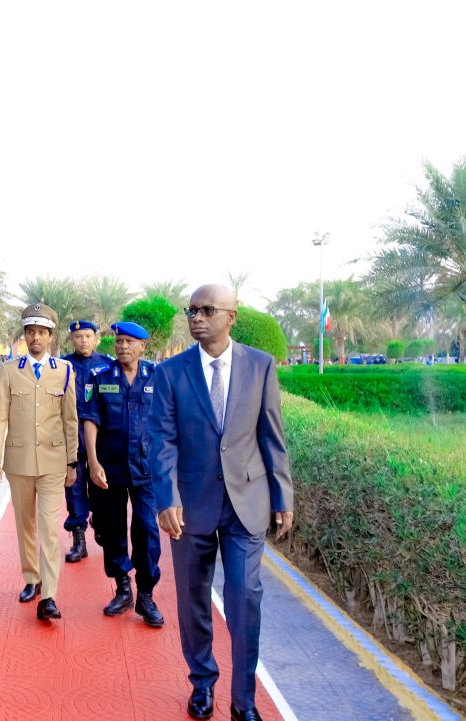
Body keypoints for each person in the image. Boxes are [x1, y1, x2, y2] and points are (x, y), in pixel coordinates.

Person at [148, 284, 294, 721]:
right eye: (191, 310)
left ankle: (243, 700)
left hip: (246, 503)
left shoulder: (260, 366)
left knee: (245, 598)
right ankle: (202, 682)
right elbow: (162, 441)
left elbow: (272, 436)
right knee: (193, 598)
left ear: (232, 316)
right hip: (190, 507)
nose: (196, 317)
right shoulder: (170, 372)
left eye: (207, 310)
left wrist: (282, 495)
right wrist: (166, 497)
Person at [0, 303, 78, 621]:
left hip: (53, 462)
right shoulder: (9, 371)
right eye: (30, 332)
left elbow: (70, 420)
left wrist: (72, 461)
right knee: (25, 525)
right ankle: (32, 578)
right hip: (19, 461)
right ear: (24, 335)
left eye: (41, 332)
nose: (35, 337)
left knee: (49, 528)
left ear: (50, 336)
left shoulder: (64, 371)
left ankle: (49, 596)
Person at [80, 321, 164, 626]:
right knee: (112, 530)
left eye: (130, 342)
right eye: (119, 342)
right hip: (110, 468)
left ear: (143, 346)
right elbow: (90, 420)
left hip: (146, 469)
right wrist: (93, 462)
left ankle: (146, 595)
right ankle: (123, 588)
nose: (123, 346)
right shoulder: (100, 377)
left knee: (147, 530)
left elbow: (168, 422)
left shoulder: (156, 376)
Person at [60, 319, 114, 564]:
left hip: (100, 436)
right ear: (72, 339)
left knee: (102, 485)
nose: (83, 341)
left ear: (96, 339)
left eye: (88, 336)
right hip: (71, 435)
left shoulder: (108, 365)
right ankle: (79, 540)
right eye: (78, 337)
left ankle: (100, 521)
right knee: (73, 488)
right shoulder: (63, 366)